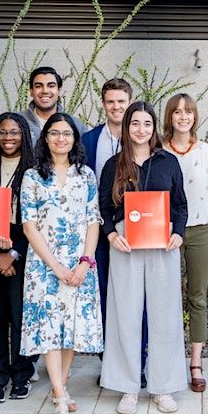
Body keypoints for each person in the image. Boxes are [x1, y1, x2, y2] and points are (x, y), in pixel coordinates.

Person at [99, 101, 188, 414]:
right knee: (125, 313)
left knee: (165, 315)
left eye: (147, 123)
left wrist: (179, 233)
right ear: (127, 127)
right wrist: (111, 235)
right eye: (135, 123)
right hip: (126, 242)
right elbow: (103, 207)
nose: (141, 129)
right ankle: (128, 386)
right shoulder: (114, 165)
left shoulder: (168, 162)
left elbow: (180, 205)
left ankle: (163, 386)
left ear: (154, 128)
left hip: (162, 242)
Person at [20, 113, 103, 414]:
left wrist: (85, 261)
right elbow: (28, 225)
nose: (60, 139)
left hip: (79, 264)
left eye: (66, 133)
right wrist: (54, 266)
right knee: (49, 329)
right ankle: (58, 395)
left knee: (71, 329)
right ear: (45, 138)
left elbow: (93, 220)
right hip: (44, 265)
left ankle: (62, 387)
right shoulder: (32, 176)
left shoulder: (86, 175)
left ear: (74, 139)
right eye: (54, 133)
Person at [162, 93, 208, 392]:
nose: (183, 116)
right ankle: (166, 360)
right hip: (165, 232)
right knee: (165, 297)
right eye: (177, 112)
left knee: (197, 297)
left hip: (200, 230)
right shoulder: (157, 150)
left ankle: (195, 363)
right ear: (169, 117)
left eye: (188, 112)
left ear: (195, 116)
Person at [0, 113, 37, 403]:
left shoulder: (34, 171)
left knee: (20, 317)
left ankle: (21, 375)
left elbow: (38, 221)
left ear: (24, 135)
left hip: (23, 249)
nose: (8, 137)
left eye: (14, 132)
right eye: (2, 132)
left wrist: (13, 254)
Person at [80, 78, 133, 316]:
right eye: (110, 102)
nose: (116, 106)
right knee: (101, 286)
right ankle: (105, 339)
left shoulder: (143, 137)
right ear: (103, 104)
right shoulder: (88, 140)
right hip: (98, 225)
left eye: (121, 101)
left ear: (130, 102)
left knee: (130, 290)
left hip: (133, 225)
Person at [21, 66, 88, 142]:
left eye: (51, 86)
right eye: (38, 86)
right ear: (31, 91)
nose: (45, 91)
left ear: (59, 91)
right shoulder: (17, 123)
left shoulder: (77, 126)